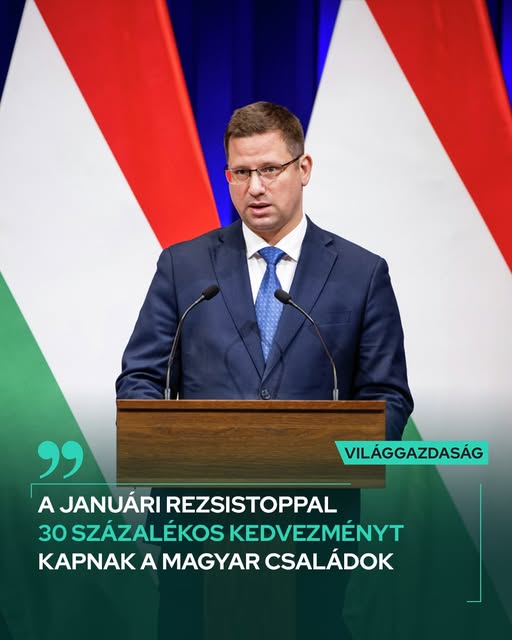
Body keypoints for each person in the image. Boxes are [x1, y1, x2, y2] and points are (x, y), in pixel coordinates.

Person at [116, 101, 413, 639]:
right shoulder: (184, 266)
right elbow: (141, 378)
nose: (255, 187)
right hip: (197, 520)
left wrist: (333, 459)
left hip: (316, 520)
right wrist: (171, 448)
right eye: (241, 172)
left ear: (304, 168)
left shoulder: (362, 273)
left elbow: (388, 395)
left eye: (270, 169)